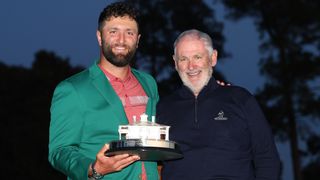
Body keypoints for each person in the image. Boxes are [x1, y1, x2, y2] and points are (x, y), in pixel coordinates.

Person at [48, 2, 159, 180]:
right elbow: (59, 152)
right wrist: (93, 168)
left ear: (137, 40)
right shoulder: (72, 89)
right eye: (113, 32)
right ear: (100, 37)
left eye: (129, 33)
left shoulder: (149, 83)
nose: (121, 40)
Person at [156, 29, 281, 180]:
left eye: (197, 57)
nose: (191, 66)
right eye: (183, 59)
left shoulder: (240, 99)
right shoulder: (163, 108)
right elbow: (154, 163)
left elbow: (267, 158)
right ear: (175, 63)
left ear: (213, 58)